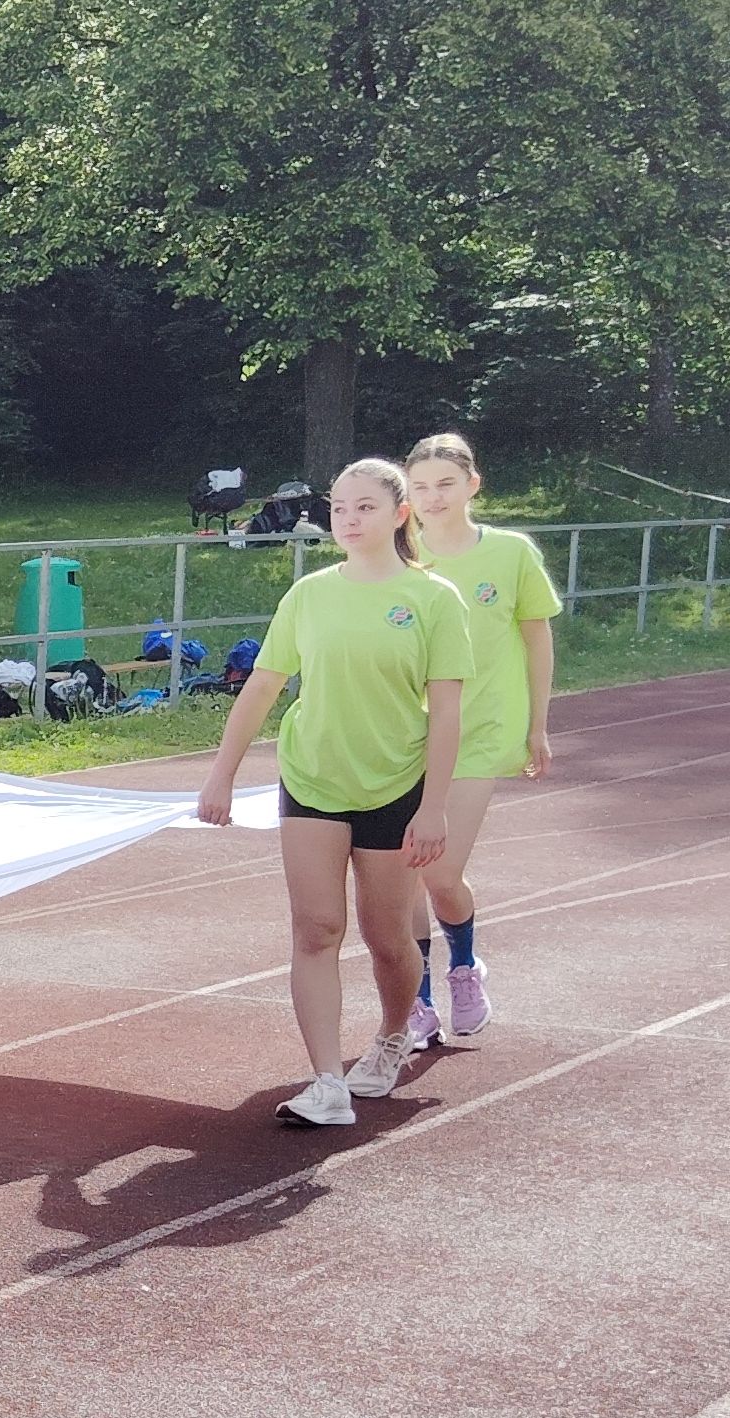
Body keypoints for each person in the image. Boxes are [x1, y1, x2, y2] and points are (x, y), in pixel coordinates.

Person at [197, 457, 468, 1128]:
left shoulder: (434, 600)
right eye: (339, 508)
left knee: (386, 939)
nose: (348, 519)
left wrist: (433, 806)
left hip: (394, 784)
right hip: (314, 778)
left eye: (364, 507)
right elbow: (262, 685)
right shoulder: (308, 595)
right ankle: (326, 1081)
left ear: (399, 514)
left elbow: (447, 712)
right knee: (315, 927)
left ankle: (390, 1035)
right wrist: (221, 772)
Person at [402, 432, 558, 1047]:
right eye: (419, 487)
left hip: (482, 729)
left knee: (439, 872)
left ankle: (463, 963)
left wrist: (537, 724)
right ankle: (416, 1000)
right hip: (406, 731)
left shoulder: (511, 553)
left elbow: (537, 638)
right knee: (401, 874)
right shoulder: (399, 551)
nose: (433, 497)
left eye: (445, 484)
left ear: (472, 485)